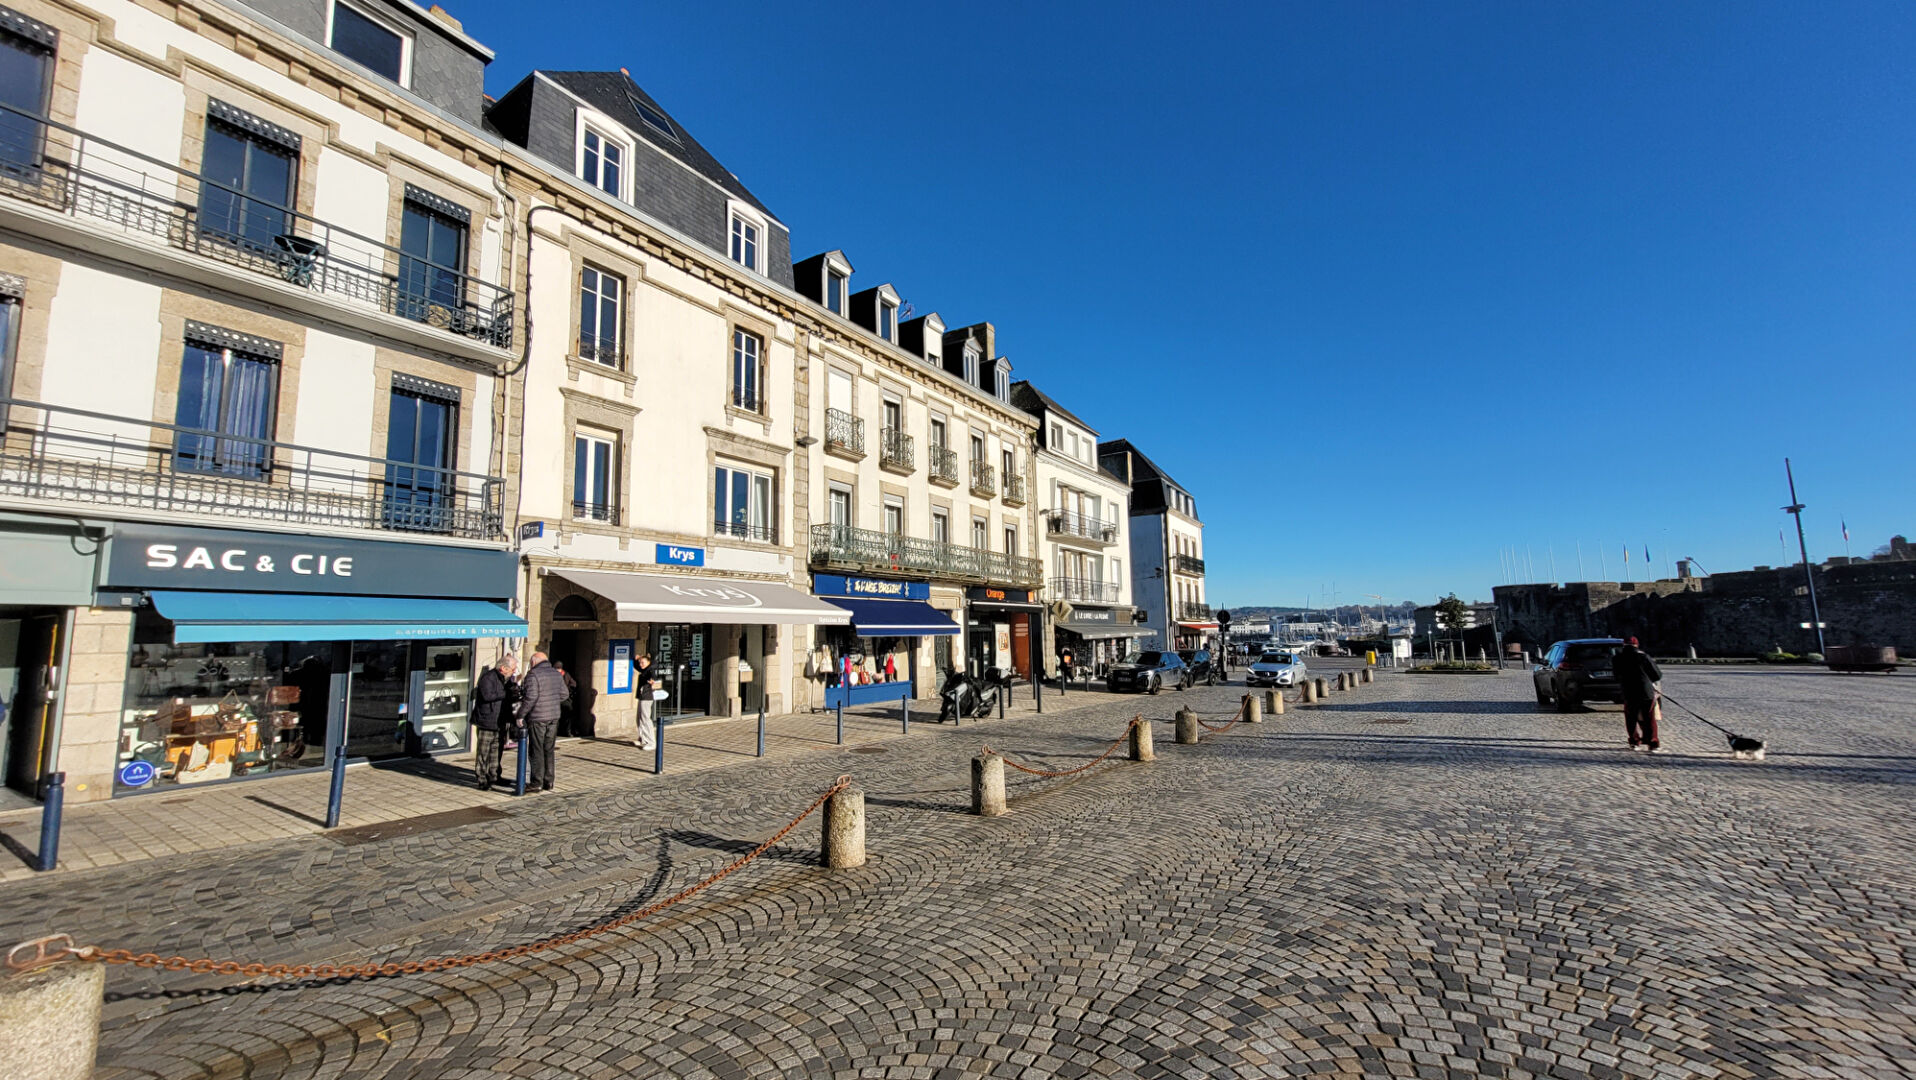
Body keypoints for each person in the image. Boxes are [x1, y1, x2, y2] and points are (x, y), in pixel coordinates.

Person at [514, 651, 566, 791]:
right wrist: (552, 702)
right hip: (554, 717)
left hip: (538, 717)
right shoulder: (556, 673)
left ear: (533, 662)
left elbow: (530, 698)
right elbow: (564, 694)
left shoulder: (533, 675)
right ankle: (549, 781)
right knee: (549, 749)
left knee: (536, 749)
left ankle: (536, 782)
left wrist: (520, 715)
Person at [469, 653, 518, 791]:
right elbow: (487, 695)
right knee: (483, 751)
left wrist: (514, 693)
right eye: (513, 668)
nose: (514, 671)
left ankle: (495, 775)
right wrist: (506, 694)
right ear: (503, 668)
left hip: (500, 720)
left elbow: (507, 696)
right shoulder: (488, 677)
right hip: (487, 720)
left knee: (497, 750)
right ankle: (482, 778)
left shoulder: (506, 679)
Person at [1613, 636, 1663, 753]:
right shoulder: (1643, 657)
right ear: (1636, 645)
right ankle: (1652, 743)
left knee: (1631, 718)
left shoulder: (1617, 658)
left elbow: (1616, 676)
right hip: (1645, 692)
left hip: (1628, 692)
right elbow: (1657, 675)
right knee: (1649, 718)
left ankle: (1634, 742)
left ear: (1624, 645)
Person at [632, 652, 658, 751]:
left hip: (647, 697)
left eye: (642, 662)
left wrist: (653, 683)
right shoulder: (645, 669)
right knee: (639, 718)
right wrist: (636, 660)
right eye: (640, 662)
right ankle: (642, 738)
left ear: (648, 662)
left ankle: (651, 742)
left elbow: (655, 681)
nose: (640, 664)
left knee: (645, 719)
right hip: (642, 696)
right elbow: (637, 667)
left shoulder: (650, 670)